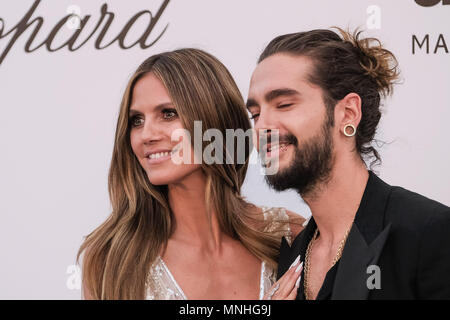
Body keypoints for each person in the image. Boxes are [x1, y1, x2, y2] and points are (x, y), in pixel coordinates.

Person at [77, 48, 305, 300]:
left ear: (213, 119)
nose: (147, 135)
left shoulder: (287, 233)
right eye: (136, 120)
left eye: (168, 113)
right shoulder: (111, 260)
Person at [247, 28, 450, 299]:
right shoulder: (292, 257)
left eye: (283, 104)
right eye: (255, 114)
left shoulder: (428, 233)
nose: (262, 127)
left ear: (348, 113)